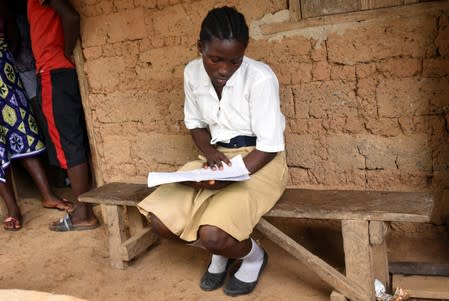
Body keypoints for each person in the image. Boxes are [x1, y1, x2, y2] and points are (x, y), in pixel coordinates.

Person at [137, 6, 288, 296]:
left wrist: (232, 175)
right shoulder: (192, 73)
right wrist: (209, 153)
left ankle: (252, 256)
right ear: (200, 49)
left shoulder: (260, 78)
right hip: (216, 158)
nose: (224, 70)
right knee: (161, 221)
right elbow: (195, 124)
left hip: (260, 161)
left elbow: (269, 146)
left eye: (235, 61)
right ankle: (220, 251)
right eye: (215, 59)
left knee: (214, 234)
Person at [0, 0, 73, 231]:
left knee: (22, 128)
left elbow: (13, 34)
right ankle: (12, 208)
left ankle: (47, 194)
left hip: (3, 67)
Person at [27, 0, 98, 231]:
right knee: (72, 139)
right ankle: (83, 208)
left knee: (68, 143)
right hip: (57, 72)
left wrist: (65, 52)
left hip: (53, 71)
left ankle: (83, 213)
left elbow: (71, 17)